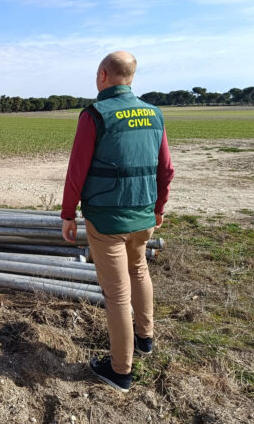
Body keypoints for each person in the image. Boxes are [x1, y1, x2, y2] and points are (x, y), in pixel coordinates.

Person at [61, 51, 174, 393]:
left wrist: (68, 214)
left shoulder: (95, 114)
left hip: (107, 220)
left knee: (117, 295)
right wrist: (159, 207)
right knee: (139, 270)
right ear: (132, 78)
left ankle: (120, 370)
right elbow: (166, 168)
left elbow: (77, 170)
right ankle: (145, 338)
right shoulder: (154, 114)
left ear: (103, 76)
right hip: (144, 216)